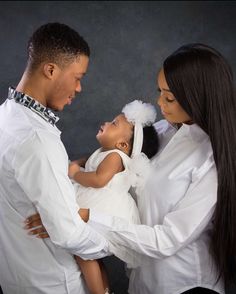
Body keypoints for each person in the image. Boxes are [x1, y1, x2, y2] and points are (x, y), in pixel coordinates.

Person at [26, 43, 236, 294]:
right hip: (141, 283)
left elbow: (167, 240)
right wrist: (67, 187)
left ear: (197, 98)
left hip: (185, 285)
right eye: (159, 91)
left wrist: (81, 216)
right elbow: (113, 164)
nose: (159, 102)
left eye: (169, 97)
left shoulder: (210, 159)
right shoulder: (159, 132)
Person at [0, 22, 113, 294]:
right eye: (78, 77)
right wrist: (112, 241)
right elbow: (68, 233)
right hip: (55, 284)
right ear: (50, 70)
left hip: (16, 279)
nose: (80, 87)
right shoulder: (37, 139)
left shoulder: (5, 116)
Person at [68, 100, 159, 294]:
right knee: (89, 254)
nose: (106, 123)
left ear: (122, 144)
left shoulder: (115, 157)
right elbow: (91, 165)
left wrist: (75, 173)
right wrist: (80, 164)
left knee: (83, 252)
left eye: (114, 124)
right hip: (97, 204)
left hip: (103, 207)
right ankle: (105, 290)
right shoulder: (107, 153)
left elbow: (99, 179)